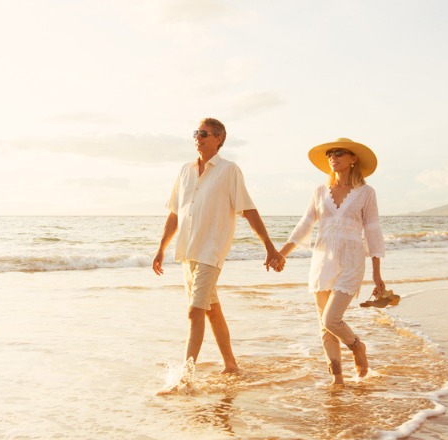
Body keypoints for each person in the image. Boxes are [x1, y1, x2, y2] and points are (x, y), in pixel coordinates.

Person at [153, 117, 283, 376]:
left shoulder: (229, 170)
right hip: (188, 252)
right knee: (211, 310)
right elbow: (174, 214)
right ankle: (231, 364)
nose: (197, 138)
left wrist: (269, 246)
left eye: (203, 134)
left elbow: (248, 210)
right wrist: (161, 248)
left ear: (218, 139)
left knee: (194, 311)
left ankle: (186, 375)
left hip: (211, 251)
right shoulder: (185, 170)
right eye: (196, 133)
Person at [278, 137, 387, 385]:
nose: (333, 157)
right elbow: (305, 224)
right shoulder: (319, 192)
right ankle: (337, 380)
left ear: (353, 159)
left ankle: (357, 347)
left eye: (339, 153)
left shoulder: (366, 193)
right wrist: (281, 253)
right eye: (330, 154)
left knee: (331, 320)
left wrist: (377, 275)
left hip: (351, 260)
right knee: (324, 327)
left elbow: (372, 231)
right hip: (322, 261)